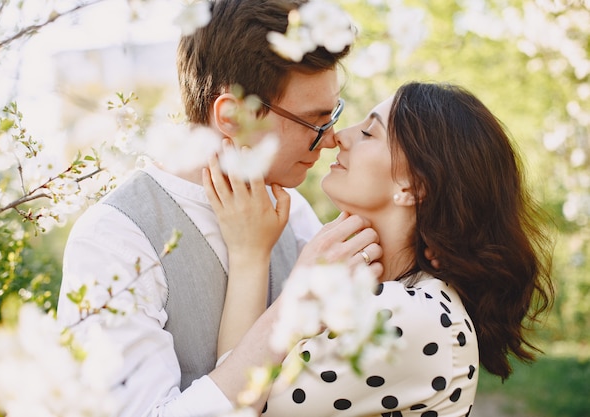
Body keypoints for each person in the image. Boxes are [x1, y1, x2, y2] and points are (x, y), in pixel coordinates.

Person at [56, 1, 384, 416]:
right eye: (314, 121)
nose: (332, 138)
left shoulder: (292, 210)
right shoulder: (114, 241)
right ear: (232, 116)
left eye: (332, 113)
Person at [203, 81, 555, 415]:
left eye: (369, 132)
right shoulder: (386, 295)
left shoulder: (411, 316)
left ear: (414, 187)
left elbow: (233, 403)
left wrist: (251, 255)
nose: (339, 135)